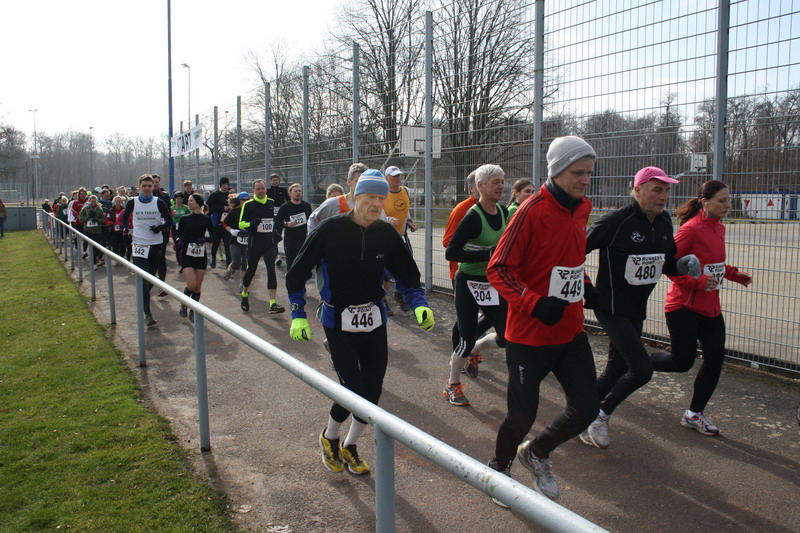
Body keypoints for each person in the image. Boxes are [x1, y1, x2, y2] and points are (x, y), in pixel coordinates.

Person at [285, 169, 435, 475]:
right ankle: (330, 437)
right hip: (338, 320)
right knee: (352, 390)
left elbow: (407, 275)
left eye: (381, 198)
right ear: (355, 196)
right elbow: (297, 273)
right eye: (370, 197)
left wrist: (419, 304)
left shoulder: (387, 234)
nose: (377, 204)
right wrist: (298, 313)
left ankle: (350, 445)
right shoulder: (330, 230)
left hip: (374, 319)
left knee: (373, 391)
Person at [486, 136, 600, 503]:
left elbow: (570, 261)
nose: (585, 180)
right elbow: (498, 269)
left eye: (589, 173)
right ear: (557, 170)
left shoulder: (583, 208)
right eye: (578, 173)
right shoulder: (530, 211)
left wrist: (586, 286)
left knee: (587, 408)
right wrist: (534, 303)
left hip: (570, 331)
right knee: (521, 417)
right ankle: (499, 471)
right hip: (529, 335)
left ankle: (536, 452)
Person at [579, 167, 700, 450]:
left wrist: (683, 264)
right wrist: (586, 286)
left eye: (666, 191)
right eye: (657, 190)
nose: (663, 197)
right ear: (637, 190)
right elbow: (574, 250)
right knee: (641, 370)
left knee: (616, 369)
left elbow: (666, 262)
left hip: (636, 307)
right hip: (610, 306)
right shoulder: (617, 221)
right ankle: (599, 416)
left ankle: (578, 413)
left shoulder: (664, 221)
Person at [651, 180, 752, 436]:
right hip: (683, 307)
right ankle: (635, 363)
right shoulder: (691, 229)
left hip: (711, 309)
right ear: (705, 203)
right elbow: (669, 266)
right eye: (722, 201)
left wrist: (734, 274)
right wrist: (696, 283)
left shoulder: (719, 227)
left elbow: (713, 264)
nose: (728, 205)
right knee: (681, 362)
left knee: (715, 359)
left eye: (729, 200)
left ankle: (694, 414)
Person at [443, 164, 509, 406]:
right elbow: (451, 252)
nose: (501, 186)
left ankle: (476, 348)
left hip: (492, 281)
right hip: (468, 283)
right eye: (495, 182)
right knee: (465, 338)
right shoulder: (472, 217)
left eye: (502, 181)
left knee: (507, 336)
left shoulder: (503, 212)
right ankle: (452, 385)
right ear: (480, 186)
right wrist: (487, 254)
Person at [442, 171, 492, 378]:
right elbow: (448, 242)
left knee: (491, 316)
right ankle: (462, 355)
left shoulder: (495, 209)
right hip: (462, 273)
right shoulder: (462, 210)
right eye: (486, 183)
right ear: (473, 188)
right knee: (464, 321)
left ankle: (470, 347)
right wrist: (479, 249)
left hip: (488, 275)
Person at [122, 174, 173, 327]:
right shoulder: (133, 202)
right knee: (144, 277)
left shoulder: (159, 202)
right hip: (139, 243)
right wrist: (126, 228)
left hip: (155, 244)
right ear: (139, 186)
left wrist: (160, 227)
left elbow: (169, 220)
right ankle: (147, 314)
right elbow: (125, 217)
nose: (147, 188)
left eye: (149, 185)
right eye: (144, 185)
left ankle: (143, 294)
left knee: (150, 278)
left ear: (153, 187)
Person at [236, 179, 285, 314]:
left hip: (269, 243)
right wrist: (252, 223)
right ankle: (244, 294)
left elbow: (275, 220)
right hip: (254, 243)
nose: (261, 191)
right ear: (253, 191)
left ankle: (272, 304)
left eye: (263, 188)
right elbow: (241, 224)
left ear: (266, 189)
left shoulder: (271, 203)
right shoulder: (248, 205)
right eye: (258, 189)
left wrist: (279, 227)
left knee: (271, 270)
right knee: (251, 271)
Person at [383, 166, 418, 315]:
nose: (397, 178)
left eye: (399, 175)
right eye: (394, 176)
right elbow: (375, 212)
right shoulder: (382, 193)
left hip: (402, 236)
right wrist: (386, 219)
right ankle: (383, 300)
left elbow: (405, 210)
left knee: (407, 267)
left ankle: (399, 294)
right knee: (386, 272)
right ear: (387, 178)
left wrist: (409, 221)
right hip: (385, 237)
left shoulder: (406, 191)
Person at [176, 193, 216, 322]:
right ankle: (184, 303)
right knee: (191, 285)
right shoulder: (184, 218)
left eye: (191, 201)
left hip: (200, 255)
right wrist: (180, 241)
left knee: (198, 287)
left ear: (198, 203)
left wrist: (204, 239)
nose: (188, 203)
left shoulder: (206, 219)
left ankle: (193, 310)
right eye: (188, 201)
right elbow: (178, 235)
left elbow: (213, 236)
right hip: (187, 254)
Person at [307, 163, 368, 233]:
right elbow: (313, 219)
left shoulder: (372, 205)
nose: (362, 185)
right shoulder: (334, 203)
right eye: (358, 181)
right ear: (349, 182)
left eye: (365, 182)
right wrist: (314, 238)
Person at [275, 183, 313, 270]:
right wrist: (286, 224)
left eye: (299, 191)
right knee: (291, 264)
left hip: (304, 238)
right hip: (291, 240)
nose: (298, 193)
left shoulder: (306, 206)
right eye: (295, 191)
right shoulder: (285, 207)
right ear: (290, 193)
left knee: (304, 264)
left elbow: (311, 221)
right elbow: (277, 222)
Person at [222, 192, 250, 289]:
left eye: (247, 199)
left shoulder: (251, 211)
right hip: (235, 240)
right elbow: (225, 223)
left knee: (245, 264)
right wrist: (232, 231)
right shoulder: (234, 211)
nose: (245, 201)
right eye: (243, 200)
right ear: (239, 201)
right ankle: (230, 269)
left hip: (248, 240)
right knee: (236, 263)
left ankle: (242, 284)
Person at [151, 174, 173, 295]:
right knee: (150, 258)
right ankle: (149, 282)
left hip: (163, 230)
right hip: (148, 231)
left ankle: (162, 284)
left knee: (161, 257)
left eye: (157, 181)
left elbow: (168, 212)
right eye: (153, 181)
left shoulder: (164, 196)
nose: (155, 183)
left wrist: (170, 213)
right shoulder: (144, 196)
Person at [207, 177, 232, 270]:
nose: (226, 186)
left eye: (227, 184)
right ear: (221, 185)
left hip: (227, 223)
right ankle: (213, 257)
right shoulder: (214, 195)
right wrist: (221, 208)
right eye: (224, 184)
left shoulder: (230, 195)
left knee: (227, 244)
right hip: (217, 223)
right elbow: (208, 207)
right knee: (216, 242)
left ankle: (229, 265)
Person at [170, 192, 190, 267]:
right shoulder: (171, 208)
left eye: (181, 199)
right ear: (175, 199)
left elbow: (190, 216)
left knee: (184, 245)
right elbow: (168, 218)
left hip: (184, 228)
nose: (179, 200)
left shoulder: (186, 208)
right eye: (178, 199)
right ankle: (180, 264)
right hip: (174, 228)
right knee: (178, 246)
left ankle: (185, 262)